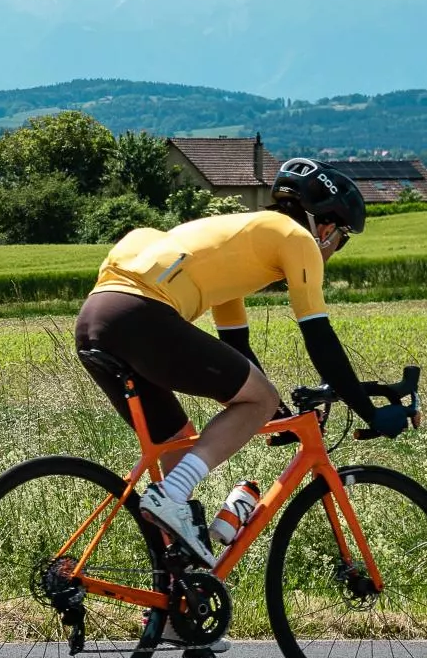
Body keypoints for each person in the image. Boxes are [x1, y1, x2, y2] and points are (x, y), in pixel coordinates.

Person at [75, 158, 401, 581]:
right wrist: (370, 412)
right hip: (141, 314)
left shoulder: (235, 241)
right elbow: (319, 339)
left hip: (95, 318)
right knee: (253, 403)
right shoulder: (296, 238)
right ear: (326, 227)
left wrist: (279, 415)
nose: (334, 250)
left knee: (177, 446)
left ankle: (178, 607)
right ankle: (171, 494)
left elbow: (236, 348)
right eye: (341, 239)